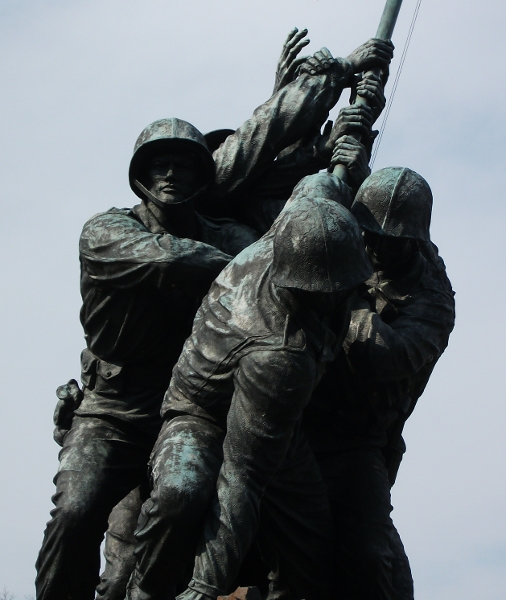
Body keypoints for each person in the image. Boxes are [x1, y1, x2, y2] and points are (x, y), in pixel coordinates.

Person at [36, 31, 393, 600]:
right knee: (76, 514)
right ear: (139, 176)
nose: (171, 176)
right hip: (116, 410)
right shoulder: (106, 232)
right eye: (159, 166)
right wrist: (245, 264)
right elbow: (176, 258)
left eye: (184, 166)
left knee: (190, 504)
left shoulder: (230, 231)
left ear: (204, 178)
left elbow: (292, 223)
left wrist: (345, 150)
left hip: (195, 403)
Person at [126, 165, 372, 600]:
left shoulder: (301, 216)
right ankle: (145, 591)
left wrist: (349, 161)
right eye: (332, 288)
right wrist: (206, 586)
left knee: (311, 549)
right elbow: (242, 477)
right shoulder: (281, 353)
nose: (341, 294)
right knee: (181, 495)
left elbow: (323, 183)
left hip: (278, 425)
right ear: (309, 289)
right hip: (202, 414)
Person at [305, 166, 456, 600]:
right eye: (368, 232)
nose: (374, 246)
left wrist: (344, 292)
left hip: (356, 441)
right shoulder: (348, 232)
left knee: (371, 558)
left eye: (390, 239)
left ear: (414, 240)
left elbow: (385, 356)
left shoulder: (432, 300)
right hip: (295, 411)